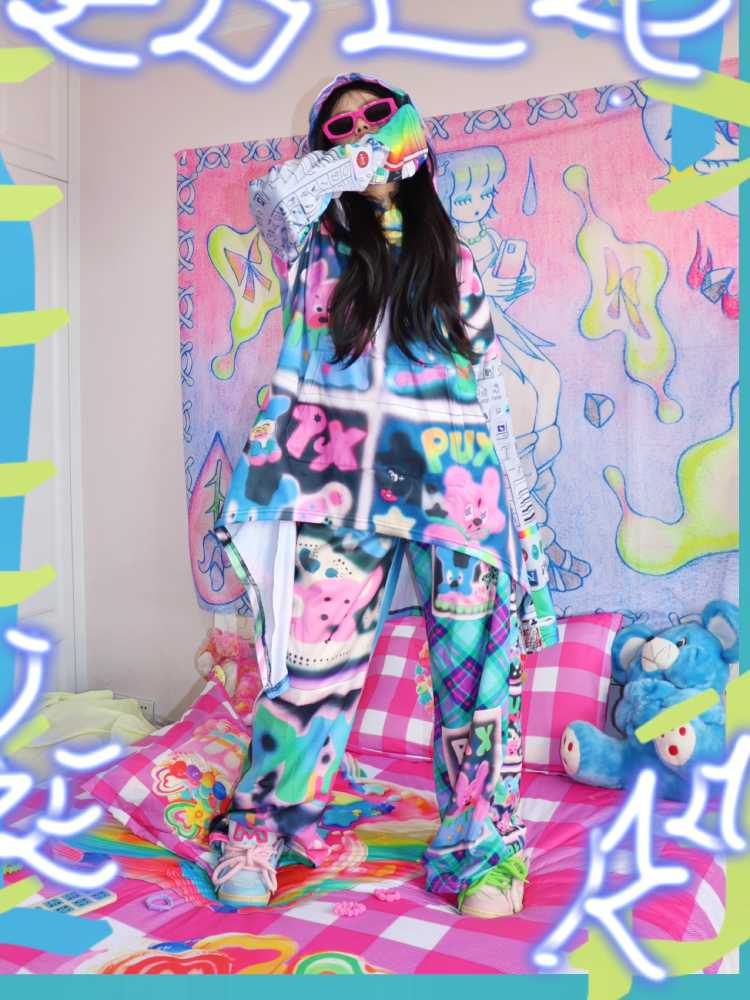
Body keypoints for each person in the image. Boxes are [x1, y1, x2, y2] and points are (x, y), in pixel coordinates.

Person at [211, 73, 558, 919]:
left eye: (378, 117)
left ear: (412, 132)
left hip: (460, 488)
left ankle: (480, 852)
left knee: (476, 687)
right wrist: (370, 155)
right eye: (341, 128)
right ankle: (260, 830)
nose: (361, 133)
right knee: (310, 676)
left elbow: (490, 392)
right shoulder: (310, 242)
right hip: (337, 484)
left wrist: (524, 524)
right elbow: (274, 194)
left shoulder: (454, 258)